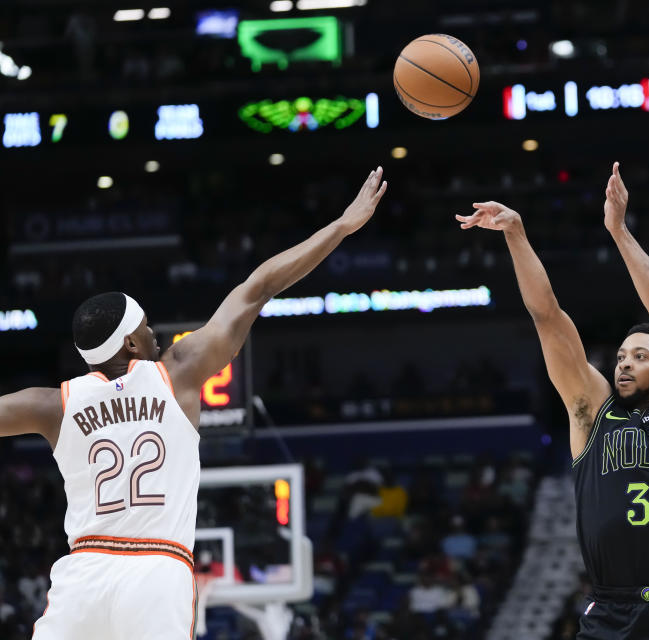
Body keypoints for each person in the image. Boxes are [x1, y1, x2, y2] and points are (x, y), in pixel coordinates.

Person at [0, 167, 388, 639]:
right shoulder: (178, 371)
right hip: (157, 570)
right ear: (131, 346)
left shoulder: (53, 405)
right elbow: (260, 285)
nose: (153, 330)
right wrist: (343, 226)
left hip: (83, 575)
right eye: (145, 325)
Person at [455, 162, 649, 639]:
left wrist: (618, 231)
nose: (622, 363)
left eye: (639, 356)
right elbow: (547, 316)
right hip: (609, 610)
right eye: (620, 355)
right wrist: (515, 234)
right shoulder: (592, 411)